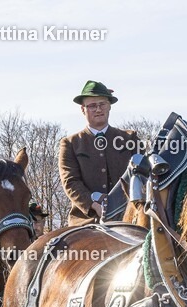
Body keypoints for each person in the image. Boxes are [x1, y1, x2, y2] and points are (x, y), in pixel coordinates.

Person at [58, 80, 138, 226]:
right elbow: (71, 182)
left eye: (102, 104)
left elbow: (141, 175)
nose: (98, 109)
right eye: (92, 106)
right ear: (83, 110)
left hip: (129, 217)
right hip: (86, 220)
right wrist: (94, 206)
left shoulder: (129, 138)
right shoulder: (70, 144)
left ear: (109, 106)